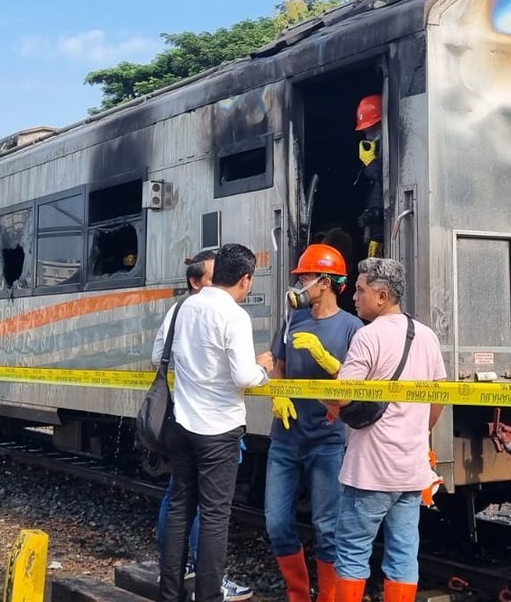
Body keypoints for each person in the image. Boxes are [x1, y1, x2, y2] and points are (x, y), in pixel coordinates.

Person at [158, 244, 274, 602]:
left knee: (180, 507)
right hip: (218, 432)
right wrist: (263, 370)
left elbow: (156, 355)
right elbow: (243, 376)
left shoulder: (183, 307)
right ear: (245, 279)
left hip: (181, 424)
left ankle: (171, 593)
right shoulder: (233, 315)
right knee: (214, 516)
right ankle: (209, 596)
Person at [330, 258, 446, 602]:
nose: (353, 296)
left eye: (361, 289)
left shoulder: (368, 337)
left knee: (352, 554)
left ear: (382, 296)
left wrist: (320, 393)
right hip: (411, 473)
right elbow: (437, 399)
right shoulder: (426, 336)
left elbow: (342, 396)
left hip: (369, 472)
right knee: (403, 557)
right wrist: (415, 433)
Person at [267, 244, 364, 602]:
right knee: (276, 523)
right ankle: (298, 595)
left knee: (328, 528)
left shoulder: (352, 328)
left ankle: (327, 597)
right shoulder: (292, 320)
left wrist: (325, 359)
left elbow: (356, 388)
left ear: (325, 282)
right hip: (285, 440)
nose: (299, 283)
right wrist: (278, 393)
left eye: (305, 277)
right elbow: (278, 365)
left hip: (327, 441)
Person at [354, 94, 384, 259]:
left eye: (372, 130)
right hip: (376, 227)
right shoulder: (376, 151)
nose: (369, 136)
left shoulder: (392, 148)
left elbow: (388, 185)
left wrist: (371, 163)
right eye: (366, 132)